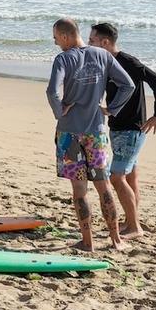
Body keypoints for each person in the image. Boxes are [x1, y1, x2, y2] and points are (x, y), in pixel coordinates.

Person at [47, 17, 135, 252]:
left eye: (56, 38)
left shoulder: (63, 59)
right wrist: (112, 109)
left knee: (79, 189)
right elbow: (128, 85)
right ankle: (116, 240)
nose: (56, 43)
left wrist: (60, 112)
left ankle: (88, 242)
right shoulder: (103, 55)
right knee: (104, 186)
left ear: (65, 36)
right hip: (96, 132)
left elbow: (52, 91)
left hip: (69, 133)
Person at [88, 22, 156, 239]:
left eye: (92, 40)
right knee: (130, 176)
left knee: (116, 177)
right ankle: (130, 222)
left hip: (131, 129)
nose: (89, 44)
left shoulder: (128, 62)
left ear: (105, 42)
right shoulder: (105, 62)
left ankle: (134, 227)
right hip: (119, 128)